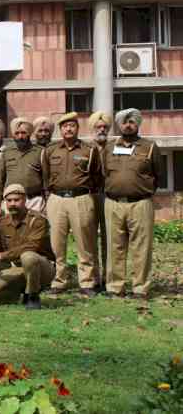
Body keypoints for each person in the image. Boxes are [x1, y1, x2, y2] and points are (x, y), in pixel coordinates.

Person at [102, 109, 163, 299]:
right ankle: (115, 287)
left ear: (137, 124)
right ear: (119, 125)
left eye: (132, 122)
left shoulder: (150, 147)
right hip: (113, 203)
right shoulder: (109, 147)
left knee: (141, 247)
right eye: (124, 122)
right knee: (114, 247)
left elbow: (157, 175)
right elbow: (104, 173)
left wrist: (143, 191)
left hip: (140, 203)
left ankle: (140, 288)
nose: (128, 125)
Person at [42, 112, 102, 296]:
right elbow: (45, 176)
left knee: (85, 242)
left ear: (77, 128)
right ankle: (59, 281)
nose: (68, 129)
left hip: (81, 199)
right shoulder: (50, 150)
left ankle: (87, 282)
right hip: (56, 199)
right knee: (56, 244)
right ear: (60, 129)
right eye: (65, 126)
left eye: (72, 125)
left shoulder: (89, 150)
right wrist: (49, 197)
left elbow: (97, 176)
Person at [0, 184, 55, 310]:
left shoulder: (38, 220)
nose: (12, 204)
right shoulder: (3, 222)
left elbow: (32, 246)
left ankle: (33, 296)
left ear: (25, 200)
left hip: (42, 267)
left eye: (17, 200)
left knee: (28, 256)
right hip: (18, 267)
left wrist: (2, 256)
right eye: (9, 201)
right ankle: (19, 296)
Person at [0, 118, 44, 218]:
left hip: (34, 201)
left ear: (29, 134)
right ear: (13, 135)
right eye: (17, 133)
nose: (20, 136)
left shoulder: (40, 152)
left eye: (23, 133)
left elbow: (46, 179)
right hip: (11, 201)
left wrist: (48, 201)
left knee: (35, 230)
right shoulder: (6, 153)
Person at [88, 110, 111, 290]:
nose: (101, 129)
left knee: (109, 239)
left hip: (110, 197)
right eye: (98, 126)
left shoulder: (115, 147)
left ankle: (108, 277)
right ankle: (93, 278)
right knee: (89, 239)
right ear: (92, 128)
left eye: (104, 127)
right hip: (89, 196)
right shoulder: (86, 148)